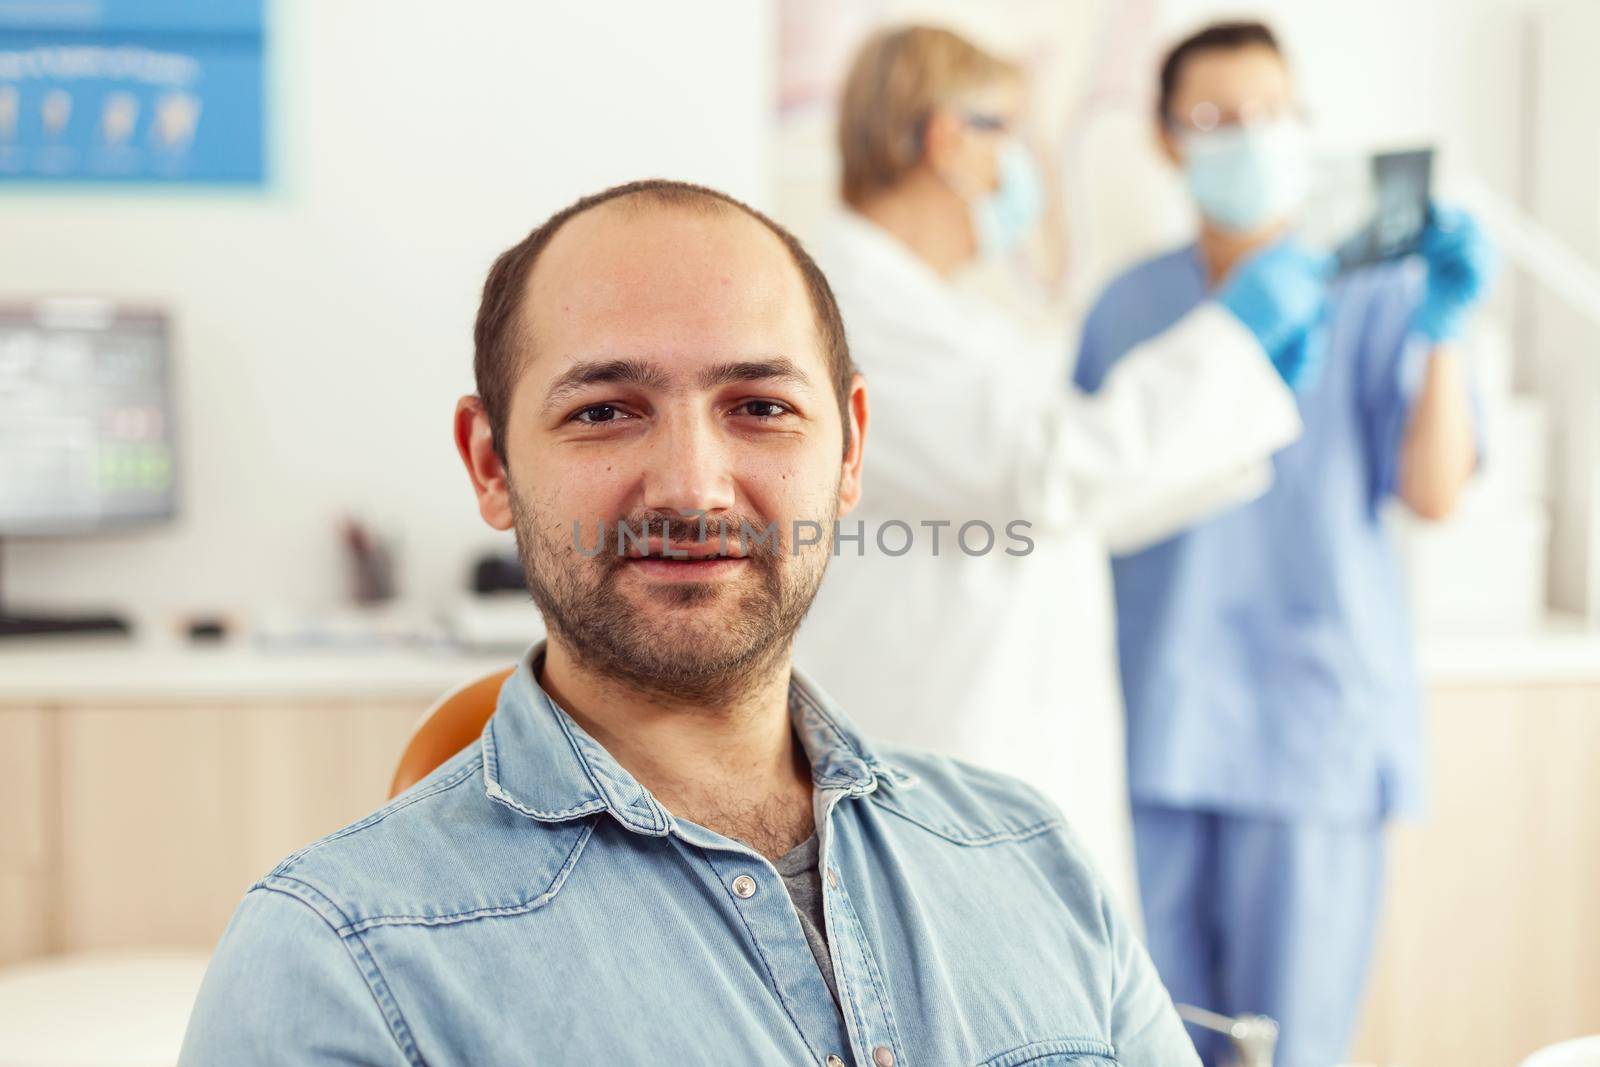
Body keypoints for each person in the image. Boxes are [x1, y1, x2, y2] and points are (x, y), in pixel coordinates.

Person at [178, 179, 1204, 1065]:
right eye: (605, 410)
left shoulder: (1030, 856)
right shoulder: (338, 954)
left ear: (849, 452)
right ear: (490, 463)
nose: (693, 487)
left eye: (759, 407)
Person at [794, 25, 1326, 909]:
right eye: (1010, 129)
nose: (1027, 164)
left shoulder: (943, 315)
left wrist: (1246, 394)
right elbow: (1042, 474)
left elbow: (1064, 506)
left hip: (986, 743)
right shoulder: (850, 311)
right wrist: (1231, 341)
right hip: (939, 749)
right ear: (948, 140)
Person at [1073, 21, 1492, 1067]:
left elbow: (1433, 492)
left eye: (1268, 114)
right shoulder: (1128, 303)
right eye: (1215, 119)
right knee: (1147, 1040)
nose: (1246, 139)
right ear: (1168, 139)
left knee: (1290, 1046)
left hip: (1310, 729)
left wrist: (1443, 328)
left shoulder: (1377, 289)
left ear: (1302, 126)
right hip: (1152, 716)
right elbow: (1072, 501)